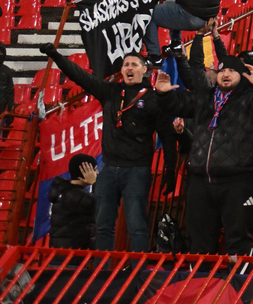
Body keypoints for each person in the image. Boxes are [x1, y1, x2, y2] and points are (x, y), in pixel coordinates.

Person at [156, 49, 253, 255]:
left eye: (232, 71)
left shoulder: (252, 98)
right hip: (200, 180)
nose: (226, 74)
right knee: (200, 240)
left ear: (242, 75)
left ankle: (238, 276)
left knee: (238, 239)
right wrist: (163, 94)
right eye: (223, 70)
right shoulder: (205, 97)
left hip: (237, 181)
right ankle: (201, 276)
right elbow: (177, 104)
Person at [38, 47, 166, 251]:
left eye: (134, 64)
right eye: (126, 64)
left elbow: (167, 133)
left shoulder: (152, 98)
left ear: (144, 70)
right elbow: (81, 77)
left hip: (136, 169)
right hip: (108, 166)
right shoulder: (111, 91)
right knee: (103, 225)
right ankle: (101, 267)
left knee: (136, 226)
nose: (129, 68)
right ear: (121, 70)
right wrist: (56, 56)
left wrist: (171, 167)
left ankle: (139, 270)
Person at [48, 154, 98, 249]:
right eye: (95, 170)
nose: (97, 173)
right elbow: (101, 207)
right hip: (75, 251)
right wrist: (95, 183)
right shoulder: (80, 196)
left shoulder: (63, 191)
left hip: (60, 250)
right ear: (85, 172)